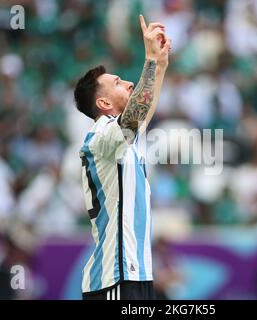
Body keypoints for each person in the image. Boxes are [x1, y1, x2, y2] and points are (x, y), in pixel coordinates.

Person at [74, 15, 171, 300]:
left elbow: (143, 110)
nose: (128, 83)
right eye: (118, 82)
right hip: (114, 278)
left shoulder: (123, 136)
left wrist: (161, 62)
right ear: (103, 103)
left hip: (137, 273)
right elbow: (135, 115)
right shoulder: (101, 134)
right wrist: (150, 60)